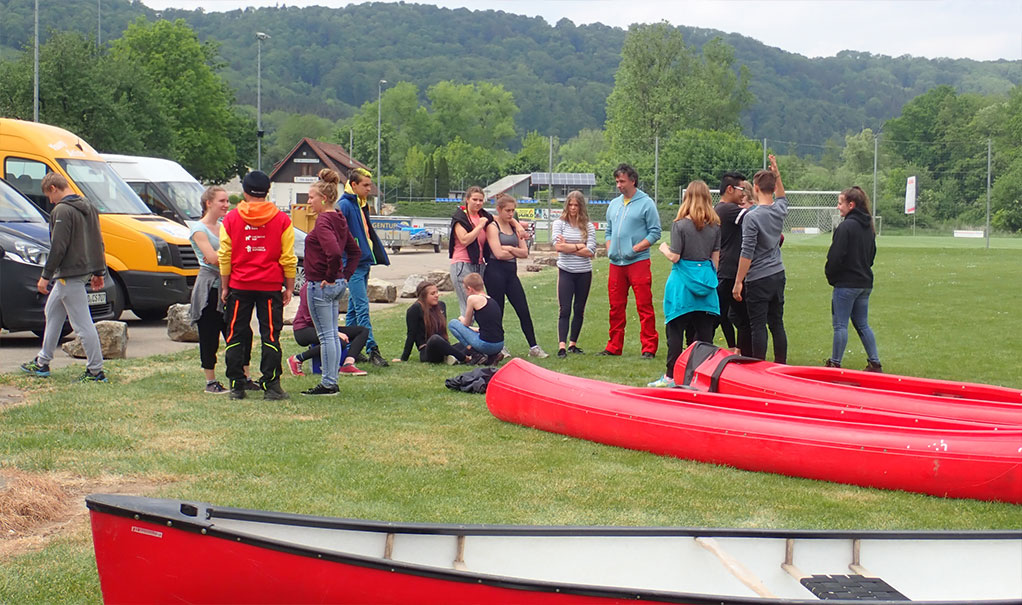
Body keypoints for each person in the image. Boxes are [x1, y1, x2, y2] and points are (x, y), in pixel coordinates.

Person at [20, 173, 108, 382]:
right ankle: (42, 362)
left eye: (49, 196)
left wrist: (45, 276)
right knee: (52, 313)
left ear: (53, 188)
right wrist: (98, 271)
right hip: (82, 271)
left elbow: (58, 247)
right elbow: (98, 240)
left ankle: (96, 371)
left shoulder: (62, 210)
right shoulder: (89, 206)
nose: (50, 201)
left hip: (69, 274)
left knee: (82, 324)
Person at [219, 170, 298, 400]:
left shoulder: (231, 219)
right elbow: (288, 257)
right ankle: (272, 385)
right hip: (270, 285)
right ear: (267, 191)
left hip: (239, 284)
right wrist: (289, 286)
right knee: (270, 335)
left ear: (245, 191)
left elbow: (225, 255)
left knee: (235, 333)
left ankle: (236, 385)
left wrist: (225, 286)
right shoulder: (282, 220)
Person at [649, 181, 721, 387]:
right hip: (706, 285)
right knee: (704, 334)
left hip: (681, 285)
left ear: (687, 197)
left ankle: (671, 376)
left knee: (675, 330)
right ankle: (701, 376)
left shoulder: (679, 225)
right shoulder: (715, 227)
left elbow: (675, 256)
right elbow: (715, 260)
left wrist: (663, 247)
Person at [300, 169, 365, 395]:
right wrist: (343, 277)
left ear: (324, 198)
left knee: (326, 335)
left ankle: (328, 383)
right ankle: (331, 380)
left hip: (321, 284)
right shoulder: (339, 218)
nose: (309, 201)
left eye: (311, 197)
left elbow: (335, 252)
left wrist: (329, 277)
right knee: (331, 334)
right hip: (336, 284)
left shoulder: (324, 221)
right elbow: (354, 251)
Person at [599, 163, 661, 358]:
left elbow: (655, 232)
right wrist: (610, 248)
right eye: (617, 181)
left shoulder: (646, 203)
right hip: (616, 264)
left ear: (633, 181)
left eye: (622, 181)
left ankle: (649, 347)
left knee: (644, 305)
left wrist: (635, 248)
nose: (619, 185)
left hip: (638, 262)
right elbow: (608, 231)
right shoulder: (614, 204)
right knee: (615, 307)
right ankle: (614, 346)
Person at [733, 155, 788, 363]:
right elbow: (781, 196)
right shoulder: (779, 210)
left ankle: (759, 367)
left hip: (758, 277)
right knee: (777, 324)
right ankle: (781, 364)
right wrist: (777, 173)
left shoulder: (752, 217)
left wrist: (738, 281)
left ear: (755, 188)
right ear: (772, 188)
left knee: (758, 326)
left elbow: (747, 252)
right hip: (778, 273)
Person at [825, 186, 882, 372]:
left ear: (851, 205)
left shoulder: (845, 227)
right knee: (863, 324)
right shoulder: (869, 228)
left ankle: (835, 362)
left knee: (840, 325)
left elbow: (835, 257)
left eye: (840, 203)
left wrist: (831, 276)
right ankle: (875, 362)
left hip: (846, 284)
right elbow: (871, 256)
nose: (838, 207)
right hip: (864, 283)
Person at [484, 194, 548, 358]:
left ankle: (533, 346)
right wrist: (513, 252)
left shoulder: (515, 227)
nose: (511, 214)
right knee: (498, 311)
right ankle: (499, 346)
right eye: (507, 210)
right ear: (499, 209)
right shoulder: (493, 226)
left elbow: (524, 252)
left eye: (513, 210)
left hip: (511, 273)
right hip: (495, 272)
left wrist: (510, 249)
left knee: (523, 309)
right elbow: (498, 253)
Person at [338, 167, 390, 368]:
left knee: (352, 309)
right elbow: (339, 235)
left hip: (364, 261)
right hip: (353, 264)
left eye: (370, 184)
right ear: (354, 185)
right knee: (362, 307)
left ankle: (351, 348)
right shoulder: (345, 205)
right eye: (365, 185)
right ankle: (372, 349)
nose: (369, 189)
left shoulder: (360, 203)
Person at [289, 283, 369, 379]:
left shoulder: (331, 286)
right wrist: (335, 333)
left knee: (362, 331)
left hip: (326, 328)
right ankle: (297, 359)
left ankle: (348, 364)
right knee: (337, 341)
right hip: (304, 329)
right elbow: (311, 318)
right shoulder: (309, 288)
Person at [551, 190, 596, 358]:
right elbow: (558, 247)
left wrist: (568, 247)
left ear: (581, 207)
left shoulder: (588, 226)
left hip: (584, 272)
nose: (573, 208)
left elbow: (590, 251)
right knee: (565, 309)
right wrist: (579, 245)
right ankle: (562, 345)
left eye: (576, 205)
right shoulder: (559, 224)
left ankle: (573, 344)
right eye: (570, 204)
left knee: (579, 308)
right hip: (566, 271)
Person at [713, 171, 750, 354]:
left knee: (723, 314)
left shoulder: (720, 209)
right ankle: (745, 355)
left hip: (724, 270)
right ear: (730, 189)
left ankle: (737, 350)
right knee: (741, 319)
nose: (743, 193)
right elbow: (756, 219)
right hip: (730, 272)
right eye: (741, 189)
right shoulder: (729, 210)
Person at [395, 281, 469, 364]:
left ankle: (452, 357)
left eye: (437, 292)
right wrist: (404, 358)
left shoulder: (441, 305)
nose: (436, 295)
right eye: (432, 294)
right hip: (428, 350)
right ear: (423, 296)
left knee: (468, 343)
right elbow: (411, 335)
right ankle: (463, 358)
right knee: (435, 339)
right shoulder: (415, 309)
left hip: (444, 347)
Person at [448, 186, 492, 316]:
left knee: (479, 305)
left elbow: (501, 217)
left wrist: (517, 225)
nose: (478, 203)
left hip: (479, 264)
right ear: (467, 199)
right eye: (475, 199)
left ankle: (476, 330)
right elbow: (464, 240)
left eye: (481, 200)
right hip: (462, 264)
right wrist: (480, 226)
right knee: (468, 306)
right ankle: (463, 328)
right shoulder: (460, 218)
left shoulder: (483, 216)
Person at [447, 272, 505, 365]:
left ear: (469, 289)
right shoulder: (491, 300)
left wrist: (461, 319)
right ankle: (493, 356)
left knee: (453, 324)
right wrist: (471, 329)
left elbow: (466, 323)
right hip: (499, 344)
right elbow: (489, 327)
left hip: (486, 345)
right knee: (475, 332)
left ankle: (476, 354)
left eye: (465, 289)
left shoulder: (473, 299)